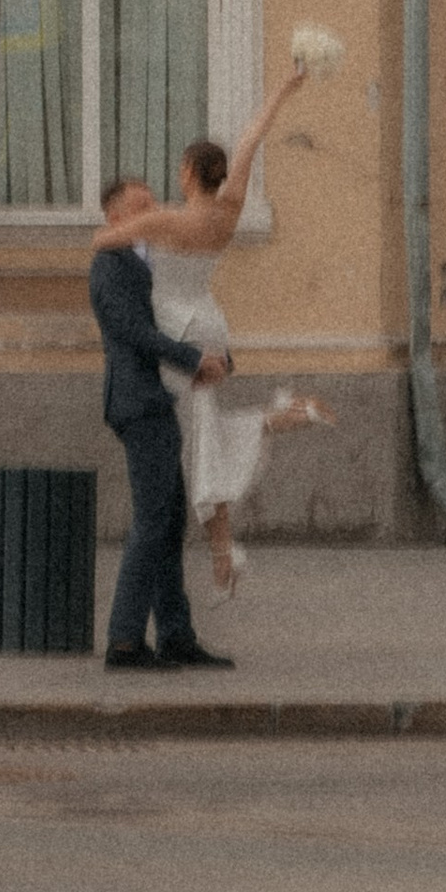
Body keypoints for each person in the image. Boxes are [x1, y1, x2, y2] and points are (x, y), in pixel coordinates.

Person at [92, 68, 334, 596]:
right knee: (204, 436)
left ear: (187, 172)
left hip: (179, 330)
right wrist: (282, 90)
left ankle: (226, 554)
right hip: (211, 322)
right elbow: (251, 140)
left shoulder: (171, 222)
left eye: (178, 171)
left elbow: (106, 239)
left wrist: (121, 227)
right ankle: (286, 420)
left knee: (200, 445)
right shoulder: (228, 211)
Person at [88, 180, 233, 673]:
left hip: (158, 400)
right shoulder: (112, 264)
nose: (154, 212)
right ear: (115, 218)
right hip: (138, 402)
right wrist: (194, 358)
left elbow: (178, 316)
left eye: (153, 204)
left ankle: (175, 635)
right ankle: (125, 640)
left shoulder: (151, 264)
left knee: (169, 523)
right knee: (153, 521)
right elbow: (135, 332)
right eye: (141, 207)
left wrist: (214, 353)